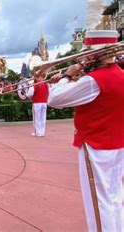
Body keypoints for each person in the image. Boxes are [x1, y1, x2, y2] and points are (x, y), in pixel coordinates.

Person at [48, 30, 123, 232]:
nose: (84, 58)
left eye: (87, 53)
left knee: (99, 202)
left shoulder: (93, 81)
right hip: (117, 144)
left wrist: (65, 76)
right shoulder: (120, 75)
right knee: (115, 198)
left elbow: (55, 99)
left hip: (97, 145)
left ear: (95, 54)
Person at [26, 73, 49, 137]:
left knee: (37, 118)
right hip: (44, 102)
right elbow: (48, 92)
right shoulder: (46, 84)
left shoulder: (34, 85)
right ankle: (42, 132)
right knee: (43, 118)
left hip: (37, 103)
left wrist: (26, 93)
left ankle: (38, 133)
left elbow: (29, 94)